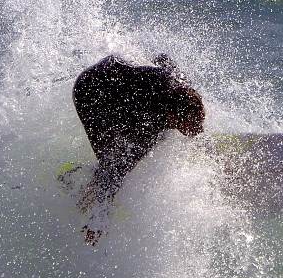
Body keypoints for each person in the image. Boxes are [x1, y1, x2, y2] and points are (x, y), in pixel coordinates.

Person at [70, 53, 205, 243]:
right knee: (111, 161)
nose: (198, 130)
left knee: (130, 151)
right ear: (173, 116)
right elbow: (118, 170)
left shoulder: (178, 84)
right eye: (193, 126)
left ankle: (98, 183)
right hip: (89, 93)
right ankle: (85, 187)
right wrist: (99, 218)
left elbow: (163, 58)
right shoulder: (148, 123)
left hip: (115, 75)